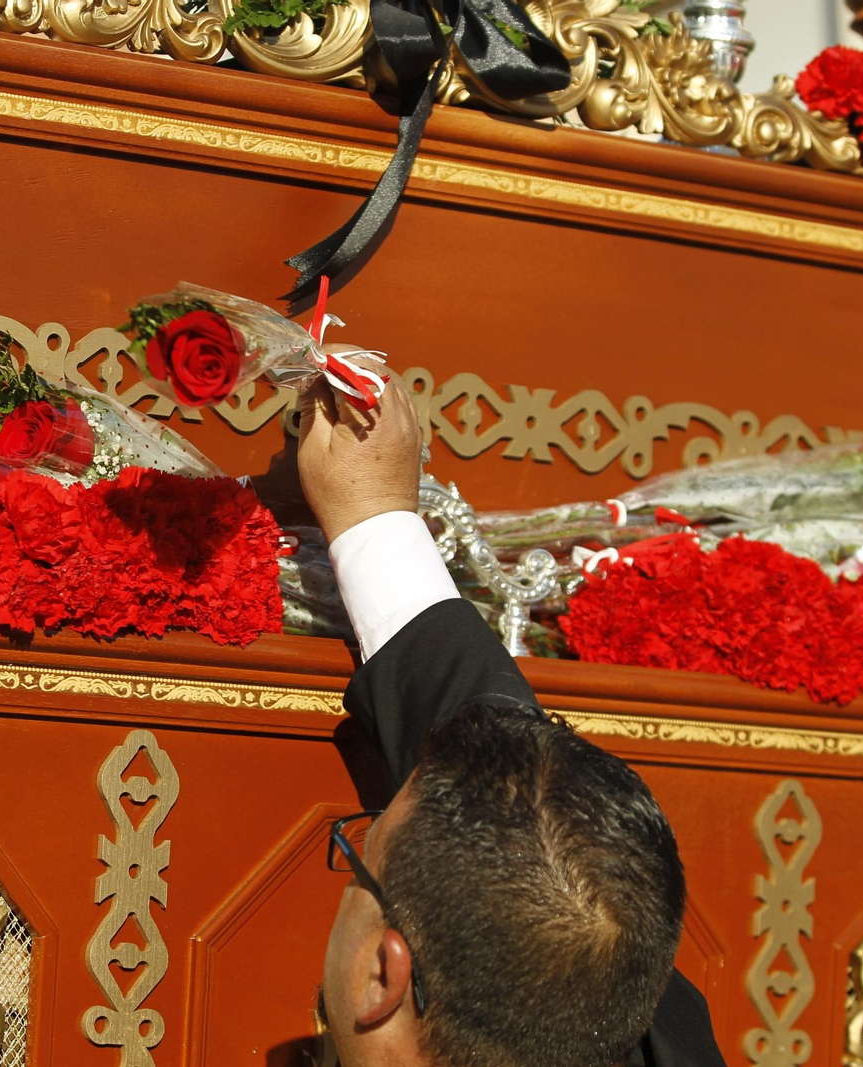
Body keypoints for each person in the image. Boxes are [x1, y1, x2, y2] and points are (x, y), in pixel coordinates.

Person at [296, 374, 728, 1067]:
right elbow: (526, 819)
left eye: (358, 855)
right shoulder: (633, 1013)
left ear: (384, 971)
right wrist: (375, 519)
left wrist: (374, 519)